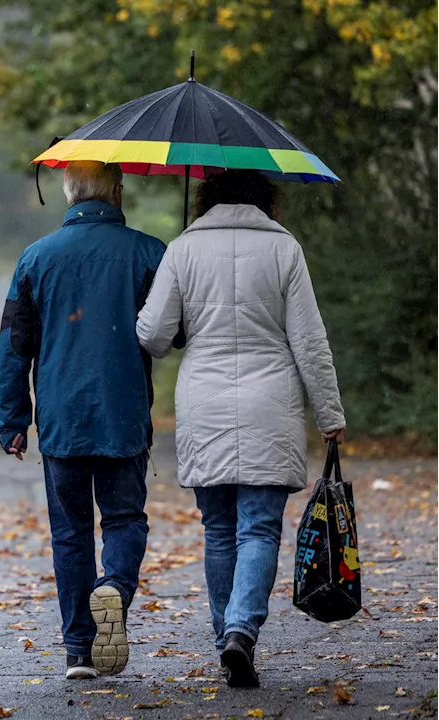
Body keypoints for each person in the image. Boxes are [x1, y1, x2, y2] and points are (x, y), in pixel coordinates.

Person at [136, 169, 346, 688]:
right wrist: (330, 414)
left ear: (207, 196)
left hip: (204, 400)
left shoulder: (183, 249)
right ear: (265, 199)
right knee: (259, 528)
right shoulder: (284, 250)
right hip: (268, 401)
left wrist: (183, 319)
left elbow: (154, 336)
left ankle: (223, 636)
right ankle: (240, 632)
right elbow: (309, 341)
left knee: (219, 529)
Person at [0, 161, 168, 679]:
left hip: (62, 417)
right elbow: (172, 332)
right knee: (123, 518)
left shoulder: (35, 259)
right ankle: (114, 585)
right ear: (116, 190)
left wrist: (12, 420)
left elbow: (14, 346)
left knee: (69, 532)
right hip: (123, 412)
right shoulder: (148, 252)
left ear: (70, 193)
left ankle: (78, 652)